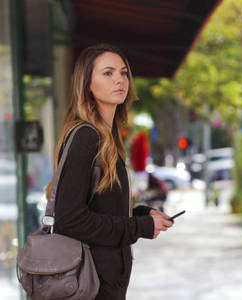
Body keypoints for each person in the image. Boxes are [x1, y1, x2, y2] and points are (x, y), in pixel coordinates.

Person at [46, 43, 174, 299]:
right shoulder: (86, 137)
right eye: (108, 73)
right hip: (88, 285)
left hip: (104, 283)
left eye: (124, 72)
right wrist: (139, 227)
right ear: (87, 84)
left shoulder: (107, 139)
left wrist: (143, 214)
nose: (120, 79)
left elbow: (100, 209)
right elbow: (69, 219)